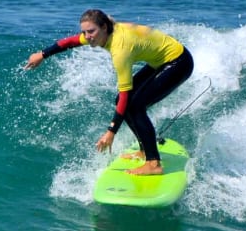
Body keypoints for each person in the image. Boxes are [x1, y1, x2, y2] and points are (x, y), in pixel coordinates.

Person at [25, 9, 194, 176]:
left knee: (135, 106)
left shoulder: (120, 49)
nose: (87, 36)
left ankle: (153, 163)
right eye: (84, 32)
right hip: (160, 60)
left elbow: (126, 94)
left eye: (91, 31)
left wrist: (110, 132)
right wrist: (42, 54)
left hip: (178, 62)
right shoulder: (103, 33)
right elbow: (70, 42)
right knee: (124, 103)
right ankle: (145, 150)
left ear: (104, 27)